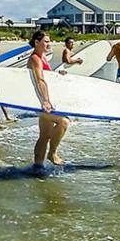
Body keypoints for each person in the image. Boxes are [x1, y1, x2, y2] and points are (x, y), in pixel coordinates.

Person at [29, 30, 70, 168]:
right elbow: (40, 80)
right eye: (46, 41)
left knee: (44, 136)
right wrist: (46, 101)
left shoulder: (43, 58)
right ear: (36, 42)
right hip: (41, 101)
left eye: (49, 41)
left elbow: (47, 77)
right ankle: (52, 153)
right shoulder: (35, 58)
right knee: (63, 121)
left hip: (43, 100)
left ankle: (37, 167)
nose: (49, 44)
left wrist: (57, 74)